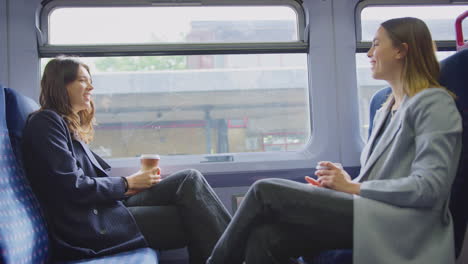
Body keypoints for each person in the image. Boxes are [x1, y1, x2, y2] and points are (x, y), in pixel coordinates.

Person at [206, 17, 462, 264]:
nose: (369, 53)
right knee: (265, 238)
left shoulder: (434, 103)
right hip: (375, 210)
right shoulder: (385, 107)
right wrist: (345, 183)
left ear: (400, 51)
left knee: (264, 191)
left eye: (376, 44)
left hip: (406, 222)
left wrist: (353, 188)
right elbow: (381, 179)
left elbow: (430, 188)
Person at [21, 57, 232, 263]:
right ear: (60, 85)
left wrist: (132, 184)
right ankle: (240, 252)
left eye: (90, 81)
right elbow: (73, 186)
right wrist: (127, 183)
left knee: (189, 179)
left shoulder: (66, 127)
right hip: (88, 227)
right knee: (194, 218)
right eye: (83, 80)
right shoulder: (46, 122)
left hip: (106, 208)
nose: (91, 88)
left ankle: (234, 252)